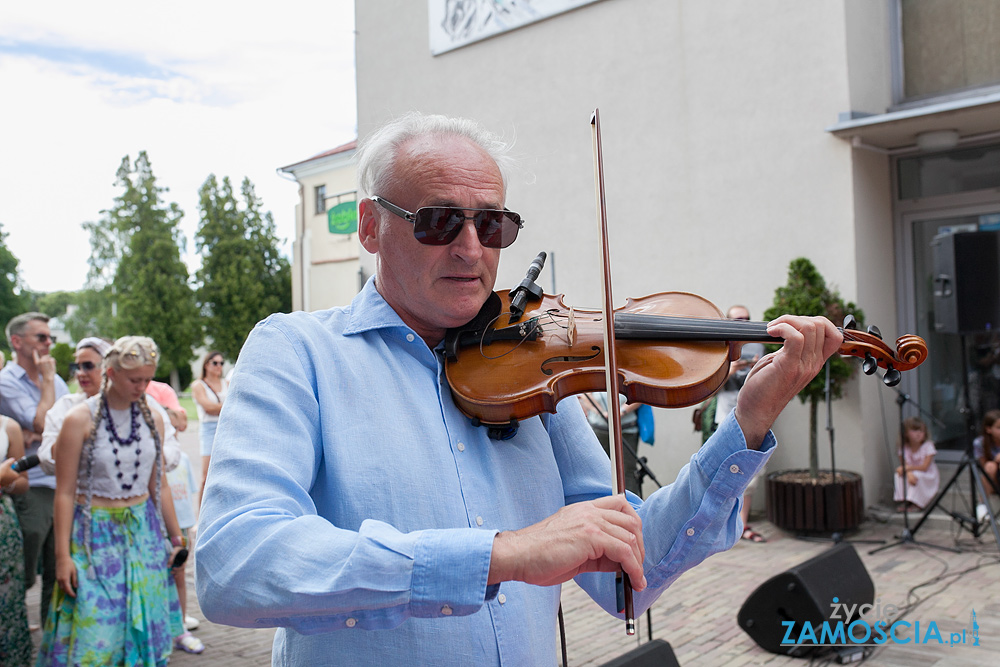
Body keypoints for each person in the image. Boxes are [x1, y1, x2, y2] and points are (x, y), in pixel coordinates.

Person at [195, 112, 842, 665]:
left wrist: (748, 423)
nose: (472, 250)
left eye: (494, 224)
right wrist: (501, 554)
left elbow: (627, 575)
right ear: (370, 226)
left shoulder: (535, 377)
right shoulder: (296, 352)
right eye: (440, 222)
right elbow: (235, 561)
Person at [36, 336, 185, 666]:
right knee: (97, 631)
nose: (142, 387)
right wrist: (63, 556)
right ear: (112, 372)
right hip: (94, 535)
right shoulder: (78, 419)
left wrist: (177, 539)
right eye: (135, 380)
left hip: (143, 533)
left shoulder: (153, 418)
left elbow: (159, 485)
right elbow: (64, 492)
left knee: (144, 625)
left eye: (147, 380)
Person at [0, 312, 70, 629]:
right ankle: (13, 621)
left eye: (49, 337)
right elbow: (42, 423)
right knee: (24, 567)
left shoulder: (56, 379)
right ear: (17, 342)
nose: (48, 343)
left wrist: (40, 433)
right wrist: (45, 386)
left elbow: (69, 428)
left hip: (64, 484)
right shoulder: (6, 381)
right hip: (33, 484)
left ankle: (51, 633)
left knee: (60, 565)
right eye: (40, 337)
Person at [715, 305, 766, 542]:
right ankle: (723, 525)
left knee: (753, 475)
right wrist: (731, 369)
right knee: (724, 471)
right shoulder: (720, 345)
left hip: (754, 413)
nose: (744, 322)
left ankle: (742, 526)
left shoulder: (757, 344)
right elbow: (712, 385)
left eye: (747, 318)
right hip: (727, 414)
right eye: (738, 319)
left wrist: (754, 368)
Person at [1, 413, 32, 666]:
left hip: (3, 525)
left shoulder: (8, 427)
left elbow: (22, 483)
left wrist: (8, 482)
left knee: (8, 601)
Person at [580, 392, 643, 495]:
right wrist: (599, 411)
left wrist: (620, 411)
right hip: (599, 429)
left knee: (627, 471)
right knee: (600, 472)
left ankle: (630, 505)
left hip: (626, 430)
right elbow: (585, 394)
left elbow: (639, 395)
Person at [191, 350, 227, 507]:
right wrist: (227, 407)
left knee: (227, 473)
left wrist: (219, 407)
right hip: (209, 429)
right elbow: (207, 407)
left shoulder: (227, 383)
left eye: (221, 363)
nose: (219, 366)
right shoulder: (199, 385)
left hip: (226, 427)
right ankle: (201, 517)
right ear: (206, 365)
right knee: (206, 476)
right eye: (215, 363)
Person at [892, 417, 939, 511]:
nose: (918, 434)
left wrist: (908, 470)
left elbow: (925, 467)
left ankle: (918, 503)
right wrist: (908, 473)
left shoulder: (928, 446)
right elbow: (904, 465)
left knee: (916, 475)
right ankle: (906, 500)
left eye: (921, 431)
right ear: (906, 433)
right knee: (899, 475)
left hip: (927, 474)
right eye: (914, 430)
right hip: (912, 472)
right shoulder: (904, 448)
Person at [973, 409, 1000, 522]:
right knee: (990, 466)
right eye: (999, 428)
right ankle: (982, 504)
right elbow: (984, 468)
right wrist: (996, 460)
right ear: (988, 429)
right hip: (993, 479)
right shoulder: (980, 443)